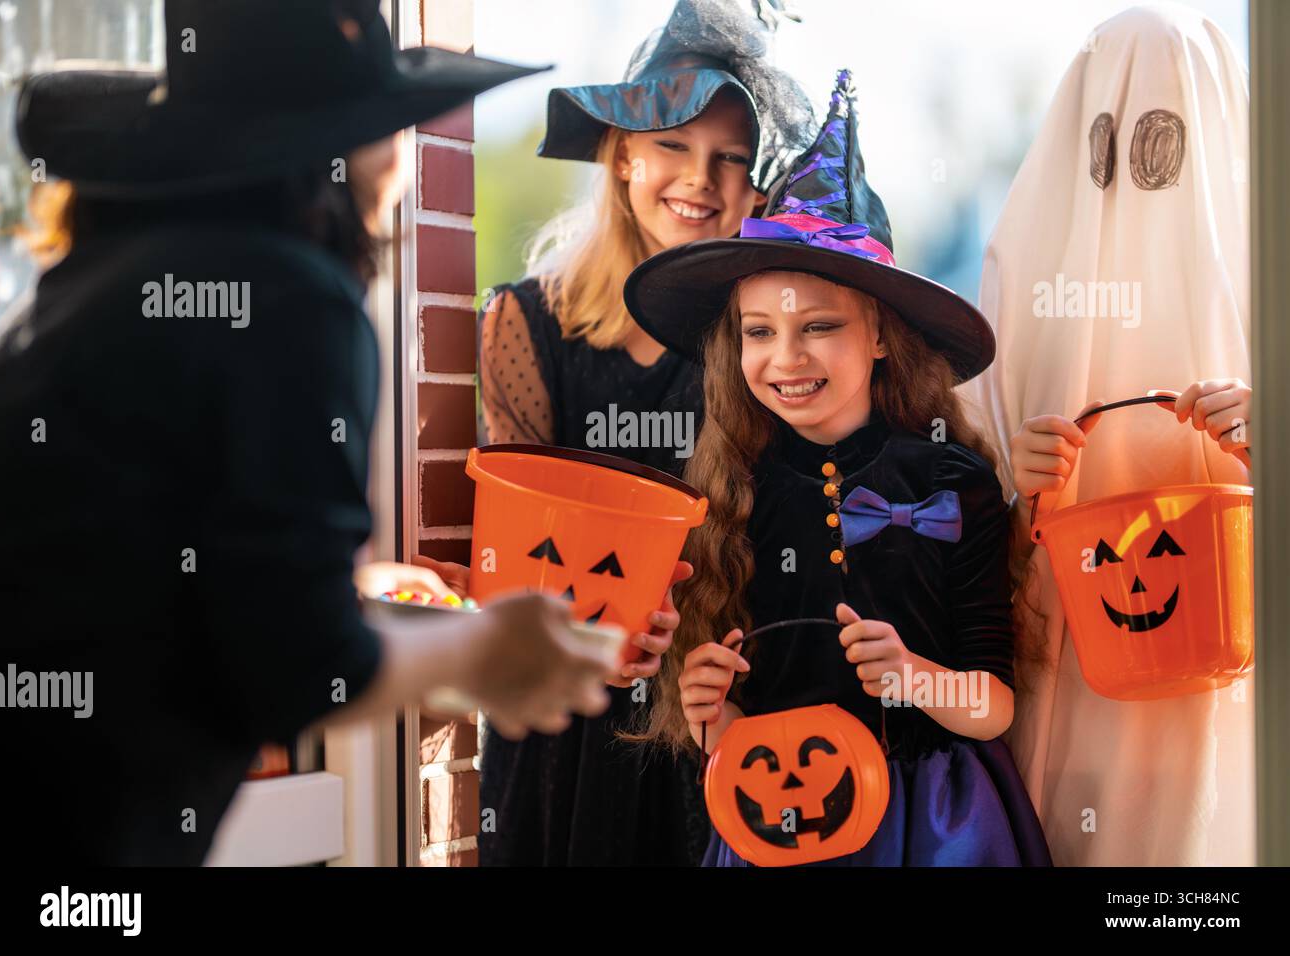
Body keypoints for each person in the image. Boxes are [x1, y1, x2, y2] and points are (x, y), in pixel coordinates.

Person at [0, 0, 613, 866]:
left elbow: (166, 598)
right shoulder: (291, 296)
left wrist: (356, 597)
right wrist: (482, 650)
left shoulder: (94, 285)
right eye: (389, 127)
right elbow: (296, 665)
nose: (401, 156)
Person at [625, 71, 1051, 866]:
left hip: (933, 824)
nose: (786, 358)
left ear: (882, 336)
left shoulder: (951, 483)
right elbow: (729, 732)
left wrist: (916, 675)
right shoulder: (727, 497)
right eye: (758, 332)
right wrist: (712, 713)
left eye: (818, 326)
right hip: (777, 819)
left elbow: (992, 707)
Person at [476, 0, 815, 865]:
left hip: (726, 717)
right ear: (622, 154)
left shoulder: (768, 345)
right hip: (567, 726)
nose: (699, 178)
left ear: (757, 188)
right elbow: (510, 559)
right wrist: (607, 632)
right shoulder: (527, 325)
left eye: (730, 158)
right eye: (672, 143)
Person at [962, 5, 1255, 865]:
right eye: (1109, 137)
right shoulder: (1019, 294)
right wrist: (1014, 482)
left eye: (1168, 137)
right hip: (1070, 672)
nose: (1137, 171)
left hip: (1229, 697)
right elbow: (960, 506)